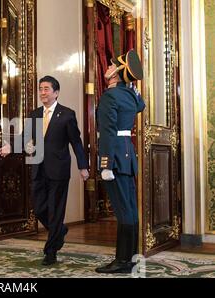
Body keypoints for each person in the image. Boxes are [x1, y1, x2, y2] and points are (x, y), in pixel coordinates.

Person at [0, 76, 89, 266]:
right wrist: (10, 147)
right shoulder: (34, 114)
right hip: (38, 167)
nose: (42, 92)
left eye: (46, 89)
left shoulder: (67, 114)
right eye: (41, 89)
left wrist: (83, 166)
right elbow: (25, 138)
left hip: (59, 169)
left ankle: (50, 251)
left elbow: (76, 142)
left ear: (56, 92)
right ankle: (59, 231)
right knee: (39, 208)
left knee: (56, 210)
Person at [95, 50, 146, 274]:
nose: (107, 68)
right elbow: (141, 106)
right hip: (127, 155)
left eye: (111, 65)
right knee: (131, 210)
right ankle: (132, 258)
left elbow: (106, 132)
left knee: (123, 210)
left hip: (115, 157)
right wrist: (131, 87)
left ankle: (123, 261)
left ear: (117, 73)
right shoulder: (130, 95)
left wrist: (105, 164)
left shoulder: (110, 96)